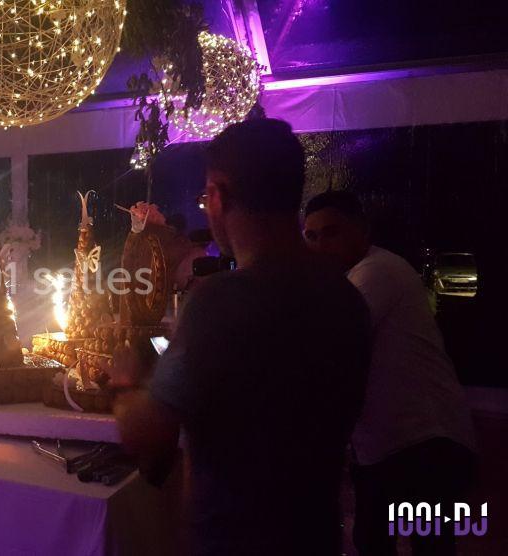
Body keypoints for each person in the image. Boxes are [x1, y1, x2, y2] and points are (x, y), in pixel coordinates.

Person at [110, 119, 372, 555]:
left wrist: (124, 381)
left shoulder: (219, 303)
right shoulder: (348, 301)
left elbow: (148, 434)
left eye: (205, 197)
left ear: (219, 195)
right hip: (317, 537)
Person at [303, 190, 477, 556]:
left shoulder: (376, 271)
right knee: (383, 541)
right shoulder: (352, 279)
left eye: (331, 233)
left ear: (363, 231)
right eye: (311, 236)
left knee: (420, 545)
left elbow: (326, 344)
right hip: (393, 446)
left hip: (426, 441)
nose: (320, 246)